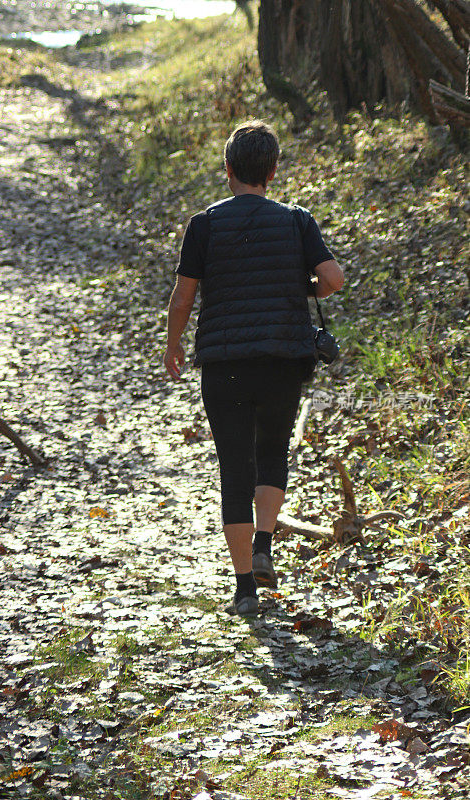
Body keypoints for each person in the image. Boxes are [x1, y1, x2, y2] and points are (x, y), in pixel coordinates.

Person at [163, 120, 344, 616]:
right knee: (272, 453)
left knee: (234, 468)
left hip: (224, 364)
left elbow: (184, 296)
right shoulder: (295, 220)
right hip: (284, 358)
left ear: (227, 170)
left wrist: (174, 345)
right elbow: (333, 278)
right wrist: (300, 287)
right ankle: (264, 541)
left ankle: (244, 588)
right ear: (273, 170)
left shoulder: (204, 224)